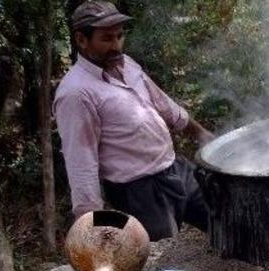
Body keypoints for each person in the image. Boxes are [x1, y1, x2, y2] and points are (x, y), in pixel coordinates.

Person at [54, 1, 215, 240]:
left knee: (222, 216)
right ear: (81, 40)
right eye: (107, 38)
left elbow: (165, 106)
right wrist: (90, 225)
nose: (117, 45)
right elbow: (81, 164)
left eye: (120, 36)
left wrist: (203, 136)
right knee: (165, 257)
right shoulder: (76, 93)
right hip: (139, 194)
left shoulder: (126, 64)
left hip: (174, 169)